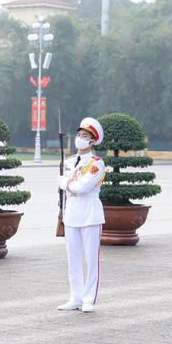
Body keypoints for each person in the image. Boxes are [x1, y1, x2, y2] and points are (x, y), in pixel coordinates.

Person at [58, 117, 106, 313]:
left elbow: (83, 186)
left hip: (90, 214)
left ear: (92, 141)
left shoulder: (96, 163)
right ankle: (75, 297)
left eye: (84, 136)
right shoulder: (68, 162)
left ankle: (89, 299)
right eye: (79, 135)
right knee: (73, 259)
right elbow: (71, 188)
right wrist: (68, 185)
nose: (80, 138)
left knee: (91, 259)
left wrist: (65, 183)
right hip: (71, 214)